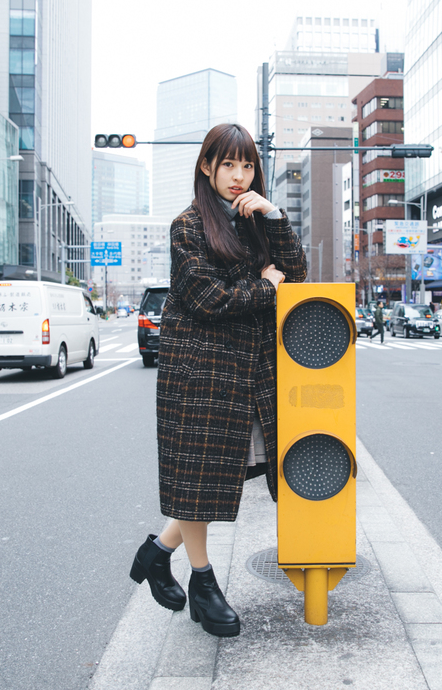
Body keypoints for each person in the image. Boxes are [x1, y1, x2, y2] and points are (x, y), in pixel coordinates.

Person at [129, 124, 307, 639]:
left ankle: (157, 554)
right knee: (201, 483)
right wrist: (264, 284)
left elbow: (294, 273)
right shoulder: (187, 226)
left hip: (251, 374)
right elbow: (210, 300)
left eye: (247, 165)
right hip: (201, 377)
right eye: (228, 164)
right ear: (207, 166)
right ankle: (204, 584)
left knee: (214, 478)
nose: (239, 175)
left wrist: (273, 215)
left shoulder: (254, 222)